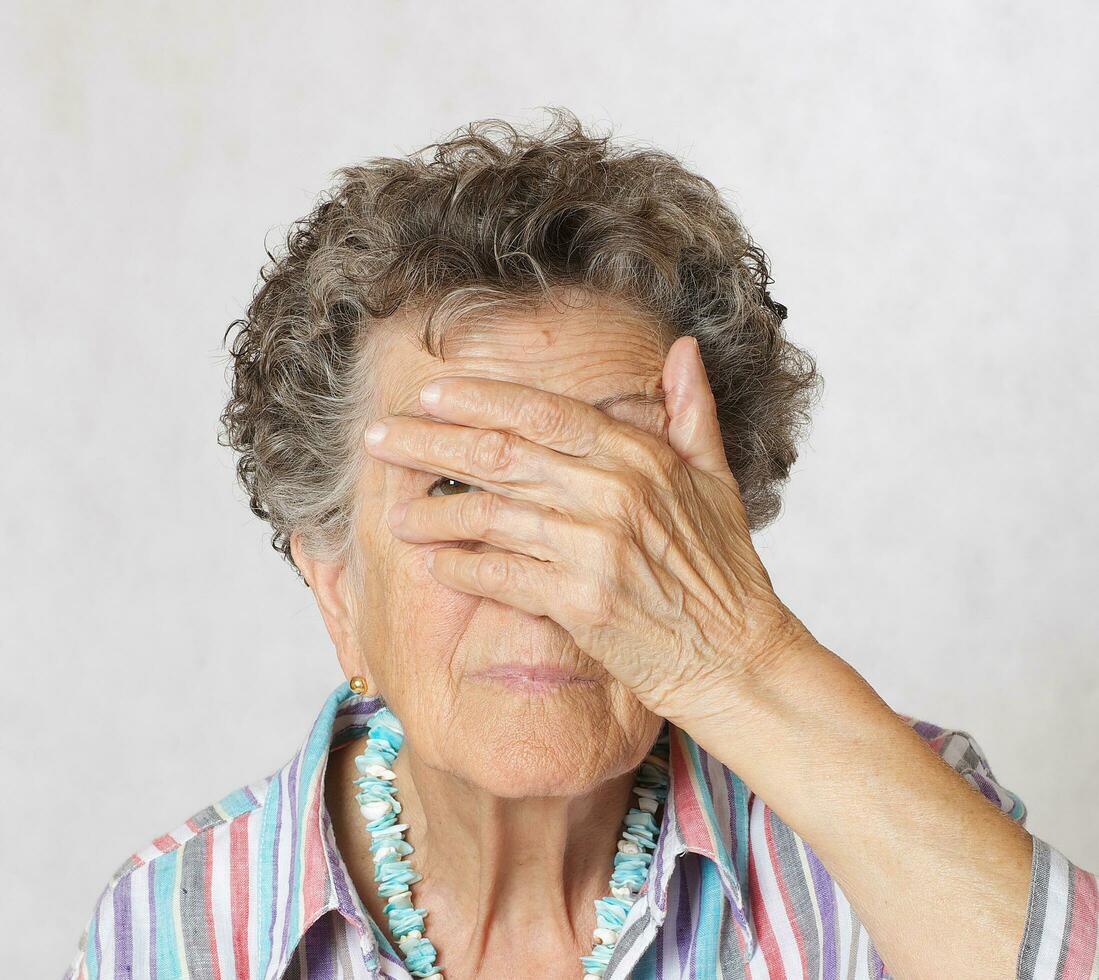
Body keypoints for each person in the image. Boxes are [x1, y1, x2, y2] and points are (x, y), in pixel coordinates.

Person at [63, 108, 1098, 980]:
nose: (553, 575)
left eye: (612, 491)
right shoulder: (172, 926)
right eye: (458, 486)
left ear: (715, 537)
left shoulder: (895, 814)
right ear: (336, 586)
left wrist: (737, 654)